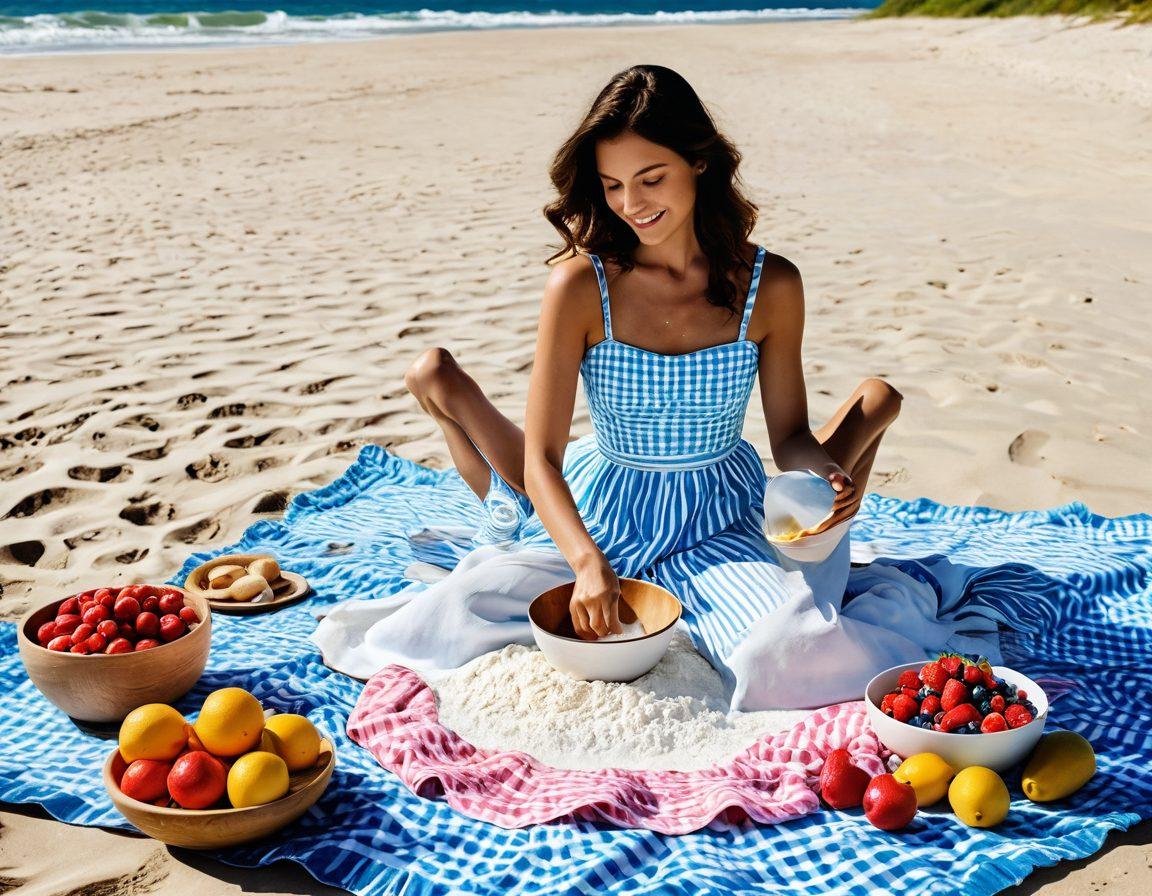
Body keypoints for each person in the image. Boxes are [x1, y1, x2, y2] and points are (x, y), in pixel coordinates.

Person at [312, 64, 1006, 711]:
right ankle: (449, 396)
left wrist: (821, 466)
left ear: (699, 162)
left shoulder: (773, 286)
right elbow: (541, 463)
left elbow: (789, 435)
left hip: (720, 512)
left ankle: (864, 419)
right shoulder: (581, 287)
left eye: (651, 178)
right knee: (457, 610)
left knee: (787, 657)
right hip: (604, 505)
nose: (631, 204)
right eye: (612, 186)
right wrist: (586, 564)